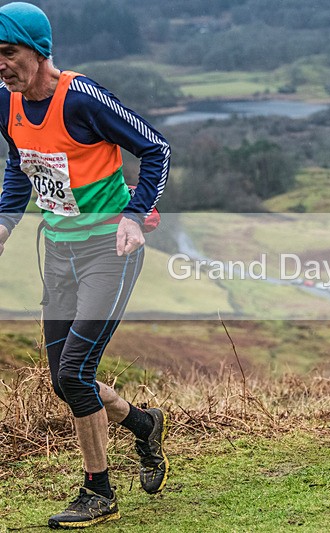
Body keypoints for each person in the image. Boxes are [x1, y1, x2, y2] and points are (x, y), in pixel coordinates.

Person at [0, 3, 170, 528]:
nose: (1, 65)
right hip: (59, 253)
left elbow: (156, 149)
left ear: (39, 50)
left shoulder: (80, 98)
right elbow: (19, 167)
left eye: (8, 52)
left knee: (75, 372)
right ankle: (143, 426)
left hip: (108, 253)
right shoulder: (5, 104)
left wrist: (135, 216)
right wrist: (4, 224)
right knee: (65, 379)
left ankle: (98, 491)